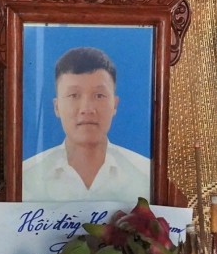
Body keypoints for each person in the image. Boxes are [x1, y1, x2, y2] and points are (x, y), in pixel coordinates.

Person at [22, 46, 151, 202]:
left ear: (115, 105)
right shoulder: (25, 178)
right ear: (57, 107)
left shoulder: (146, 175)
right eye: (74, 95)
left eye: (99, 95)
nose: (87, 109)